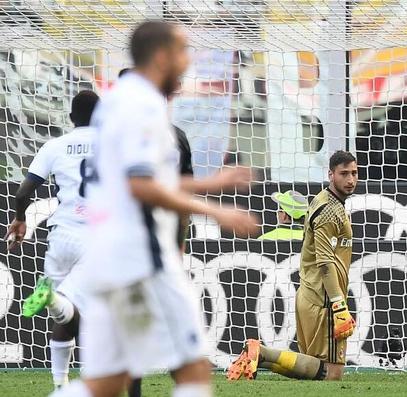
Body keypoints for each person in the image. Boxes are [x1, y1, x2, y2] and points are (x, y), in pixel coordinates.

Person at [51, 20, 257, 397]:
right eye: (183, 51)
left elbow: (139, 179)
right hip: (141, 259)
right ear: (162, 56)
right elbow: (141, 186)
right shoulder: (143, 104)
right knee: (193, 369)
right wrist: (216, 210)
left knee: (105, 383)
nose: (187, 61)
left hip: (109, 254)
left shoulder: (116, 102)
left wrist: (213, 183)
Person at [227, 150, 358, 381]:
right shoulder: (328, 209)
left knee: (317, 368)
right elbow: (325, 261)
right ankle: (262, 352)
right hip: (324, 296)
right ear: (331, 174)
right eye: (344, 173)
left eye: (354, 173)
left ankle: (259, 356)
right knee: (332, 373)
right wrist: (338, 304)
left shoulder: (326, 201)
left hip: (312, 292)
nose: (350, 180)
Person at [4, 90, 99, 390]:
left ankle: (59, 385)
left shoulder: (54, 146)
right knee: (80, 312)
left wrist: (20, 220)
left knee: (63, 315)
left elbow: (22, 193)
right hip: (95, 238)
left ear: (71, 118)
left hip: (60, 236)